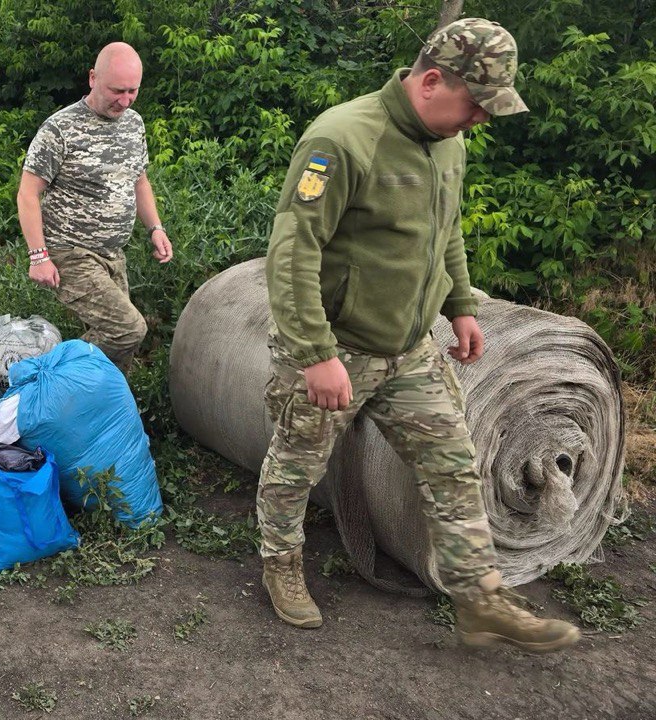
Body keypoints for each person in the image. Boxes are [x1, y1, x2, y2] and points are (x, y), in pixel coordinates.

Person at [255, 18, 579, 653]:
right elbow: (292, 254)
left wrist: (460, 304)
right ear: (431, 81)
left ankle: (479, 598)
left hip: (410, 350)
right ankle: (280, 566)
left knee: (454, 466)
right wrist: (317, 355)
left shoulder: (447, 141)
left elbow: (446, 228)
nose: (479, 121)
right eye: (475, 106)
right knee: (296, 466)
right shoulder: (342, 139)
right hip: (337, 344)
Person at [16, 42, 173, 374]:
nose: (125, 100)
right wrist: (38, 256)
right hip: (70, 252)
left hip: (114, 254)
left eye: (133, 91)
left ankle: (99, 415)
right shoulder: (60, 129)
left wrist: (155, 228)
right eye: (117, 91)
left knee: (121, 355)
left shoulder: (134, 124)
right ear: (92, 78)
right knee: (129, 328)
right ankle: (43, 375)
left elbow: (139, 180)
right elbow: (28, 194)